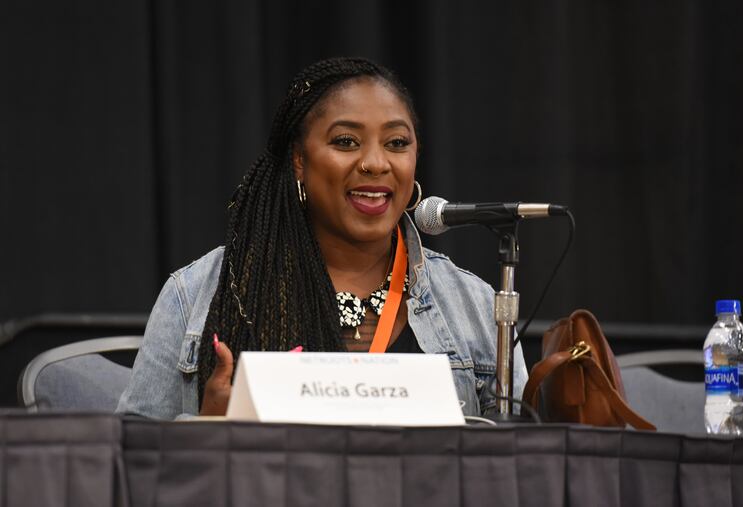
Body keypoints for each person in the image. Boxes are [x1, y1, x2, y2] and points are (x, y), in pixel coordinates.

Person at [117, 57, 528, 420]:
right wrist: (208, 434)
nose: (374, 162)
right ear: (299, 160)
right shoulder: (197, 294)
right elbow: (131, 466)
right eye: (345, 142)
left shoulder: (475, 306)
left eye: (397, 143)